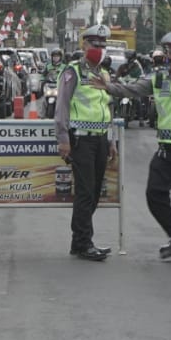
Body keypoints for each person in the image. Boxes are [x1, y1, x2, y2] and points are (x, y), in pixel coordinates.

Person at [93, 30, 171, 263]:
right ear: (166, 53)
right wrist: (108, 87)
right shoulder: (158, 78)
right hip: (167, 148)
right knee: (154, 194)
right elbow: (132, 89)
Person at [54, 24, 116, 262]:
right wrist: (63, 141)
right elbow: (61, 108)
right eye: (94, 44)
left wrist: (110, 140)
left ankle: (78, 242)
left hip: (100, 140)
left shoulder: (104, 74)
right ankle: (83, 242)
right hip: (80, 140)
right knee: (85, 192)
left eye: (102, 45)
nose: (99, 49)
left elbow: (106, 108)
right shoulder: (73, 72)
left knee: (94, 193)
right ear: (84, 45)